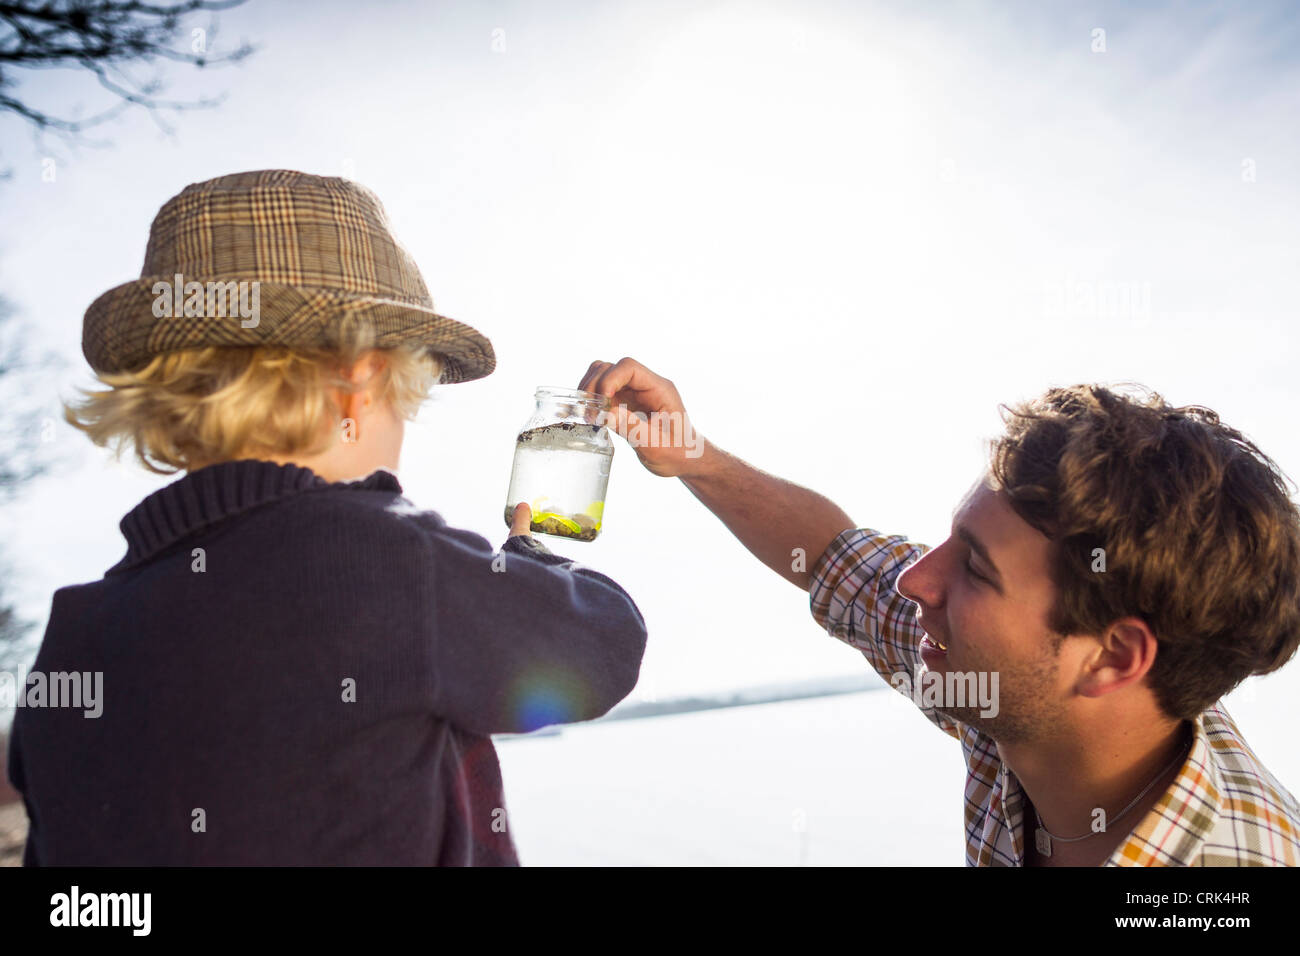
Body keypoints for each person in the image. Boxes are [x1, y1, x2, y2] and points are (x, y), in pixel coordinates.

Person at [6, 170, 648, 866]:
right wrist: (529, 553)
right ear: (359, 386)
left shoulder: (74, 636)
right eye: (410, 399)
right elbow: (604, 647)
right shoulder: (382, 560)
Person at [578, 357, 1300, 866]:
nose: (917, 579)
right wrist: (691, 455)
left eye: (975, 569)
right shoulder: (1009, 691)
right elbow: (833, 557)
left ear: (1111, 658)